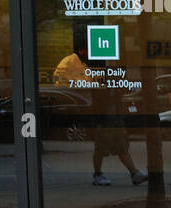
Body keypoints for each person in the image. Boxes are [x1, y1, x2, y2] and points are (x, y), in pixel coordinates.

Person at [55, 27, 146, 187]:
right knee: (101, 148)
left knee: (122, 147)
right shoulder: (82, 68)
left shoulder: (100, 70)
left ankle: (134, 173)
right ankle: (98, 174)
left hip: (114, 117)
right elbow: (84, 89)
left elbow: (116, 94)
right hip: (103, 117)